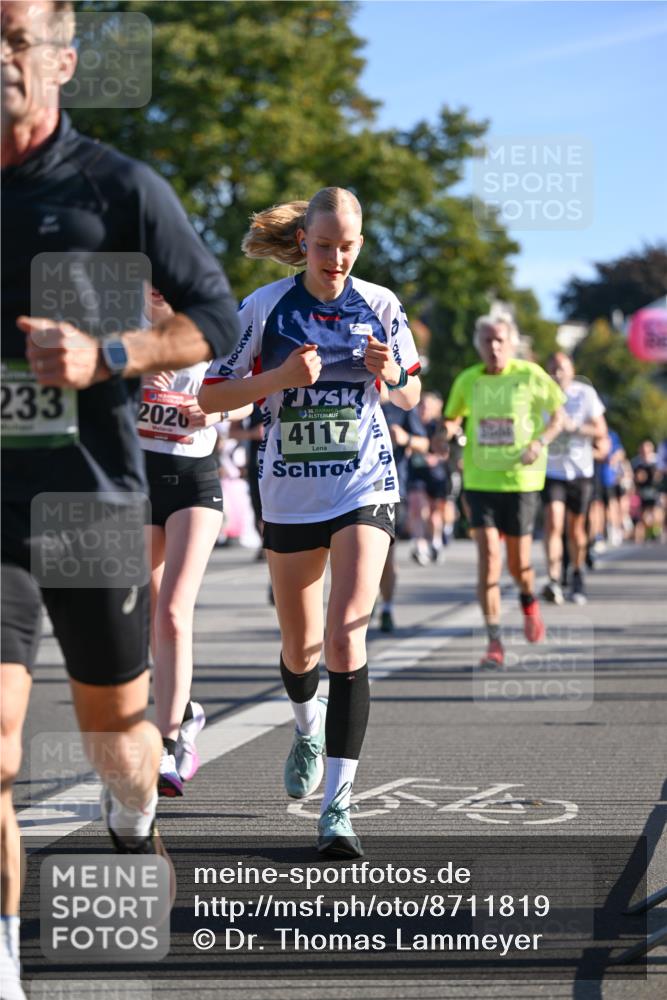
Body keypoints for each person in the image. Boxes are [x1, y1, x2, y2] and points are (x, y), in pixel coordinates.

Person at [0, 4, 240, 997]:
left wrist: (109, 352)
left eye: (14, 38)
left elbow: (217, 319)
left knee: (118, 743)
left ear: (62, 60)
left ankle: (134, 817)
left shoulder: (118, 186)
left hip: (89, 502)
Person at [199, 187, 422, 858]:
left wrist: (393, 375)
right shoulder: (265, 306)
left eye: (347, 248)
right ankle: (305, 723)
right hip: (291, 493)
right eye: (323, 247)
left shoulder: (379, 304)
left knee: (345, 637)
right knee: (300, 652)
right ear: (303, 242)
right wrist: (278, 379)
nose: (335, 260)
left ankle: (337, 808)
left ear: (359, 245)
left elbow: (413, 389)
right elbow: (210, 395)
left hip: (364, 483)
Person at [139, 290, 249, 797]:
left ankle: (164, 745)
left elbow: (248, 390)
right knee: (149, 612)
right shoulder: (124, 328)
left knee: (175, 612)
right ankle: (185, 712)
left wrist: (214, 413)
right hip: (138, 481)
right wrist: (131, 381)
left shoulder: (210, 325)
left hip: (195, 480)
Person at [444, 313, 564, 668]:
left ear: (511, 344)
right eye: (487, 341)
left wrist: (540, 441)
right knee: (489, 560)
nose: (493, 347)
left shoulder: (530, 375)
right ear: (478, 345)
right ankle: (494, 640)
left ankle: (529, 601)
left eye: (500, 340)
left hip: (520, 482)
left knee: (518, 564)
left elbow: (558, 415)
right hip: (480, 482)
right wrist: (446, 430)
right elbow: (453, 416)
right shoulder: (468, 380)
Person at [541, 353, 608, 606]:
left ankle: (577, 574)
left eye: (562, 368)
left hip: (580, 471)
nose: (557, 373)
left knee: (576, 530)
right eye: (553, 368)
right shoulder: (541, 394)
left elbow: (600, 429)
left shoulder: (584, 393)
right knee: (552, 523)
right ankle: (554, 579)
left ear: (571, 370)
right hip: (552, 470)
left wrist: (573, 428)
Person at [378, 399, 428, 631]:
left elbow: (424, 443)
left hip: (389, 490)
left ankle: (386, 608)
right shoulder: (348, 395)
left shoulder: (401, 407)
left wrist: (406, 439)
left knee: (386, 556)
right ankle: (361, 605)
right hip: (348, 489)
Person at [407, 391, 451, 565]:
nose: (424, 409)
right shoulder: (411, 422)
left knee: (434, 513)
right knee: (418, 507)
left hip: (436, 475)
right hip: (416, 473)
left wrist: (434, 458)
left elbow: (445, 452)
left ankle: (436, 542)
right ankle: (420, 545)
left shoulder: (438, 427)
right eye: (422, 406)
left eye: (428, 406)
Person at [631, 439, 663, 543]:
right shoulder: (637, 462)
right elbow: (634, 477)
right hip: (643, 491)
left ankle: (657, 530)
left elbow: (660, 476)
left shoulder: (657, 461)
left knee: (657, 511)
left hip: (655, 490)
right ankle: (649, 531)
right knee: (644, 515)